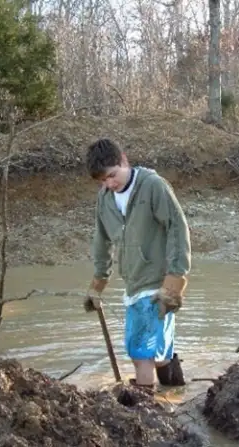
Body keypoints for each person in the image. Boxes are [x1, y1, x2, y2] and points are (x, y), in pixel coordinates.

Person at [86, 138, 191, 389]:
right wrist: (97, 284)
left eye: (112, 175)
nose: (109, 184)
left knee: (140, 354)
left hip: (158, 284)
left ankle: (145, 413)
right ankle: (176, 393)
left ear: (124, 160)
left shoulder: (153, 186)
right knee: (160, 354)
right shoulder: (105, 199)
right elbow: (101, 243)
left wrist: (175, 283)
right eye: (102, 181)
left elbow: (178, 228)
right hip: (133, 283)